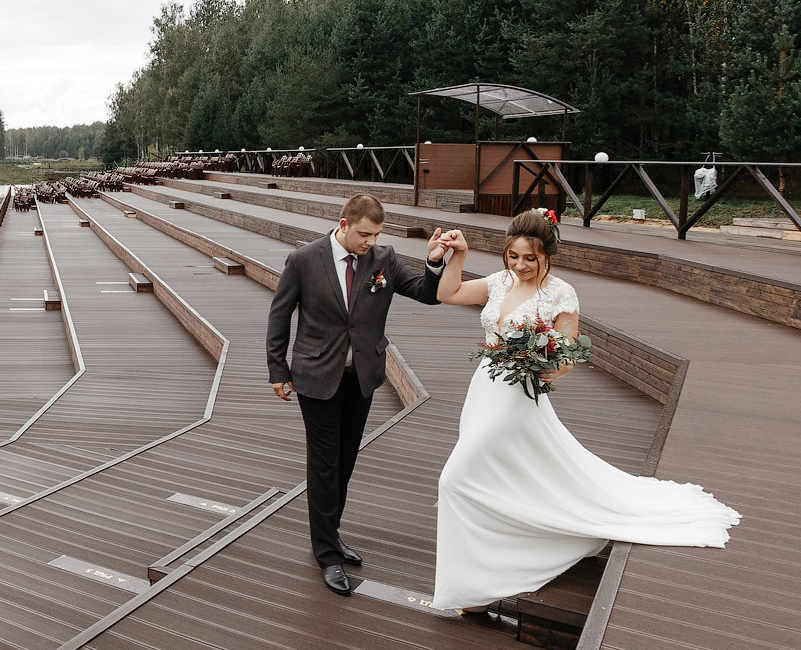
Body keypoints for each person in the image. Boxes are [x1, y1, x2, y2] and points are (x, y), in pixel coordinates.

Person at [430, 209, 739, 614]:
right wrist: (459, 256)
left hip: (518, 396)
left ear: (547, 255)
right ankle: (479, 575)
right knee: (490, 473)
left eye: (529, 258)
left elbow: (567, 358)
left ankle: (471, 586)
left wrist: (539, 363)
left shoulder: (561, 294)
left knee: (455, 479)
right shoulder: (499, 282)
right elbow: (449, 294)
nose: (519, 266)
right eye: (513, 256)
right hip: (484, 388)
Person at [267, 193, 451, 595]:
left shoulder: (384, 259)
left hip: (361, 377)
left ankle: (330, 534)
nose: (371, 241)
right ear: (343, 224)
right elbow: (279, 314)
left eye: (377, 235)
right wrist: (277, 369)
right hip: (317, 377)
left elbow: (426, 293)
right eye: (365, 234)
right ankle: (327, 555)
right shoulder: (303, 260)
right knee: (324, 464)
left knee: (345, 459)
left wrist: (434, 261)